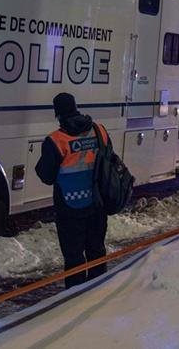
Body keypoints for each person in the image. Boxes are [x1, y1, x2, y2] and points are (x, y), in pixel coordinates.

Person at [36, 92, 111, 288]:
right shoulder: (99, 131)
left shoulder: (56, 141)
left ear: (58, 114)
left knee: (74, 257)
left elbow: (46, 176)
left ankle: (75, 299)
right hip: (97, 204)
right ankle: (98, 291)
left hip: (70, 209)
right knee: (96, 251)